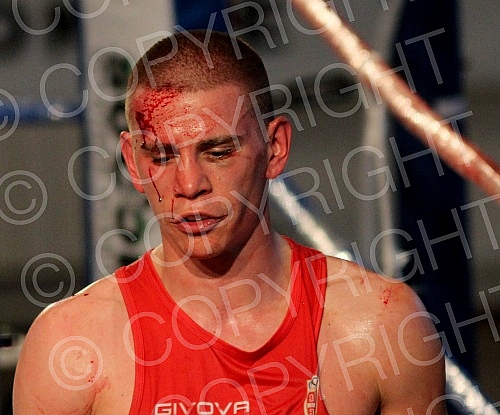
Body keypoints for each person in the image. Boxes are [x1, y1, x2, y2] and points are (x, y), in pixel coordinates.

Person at [13, 30, 446, 415]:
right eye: (162, 156)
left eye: (218, 152)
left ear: (275, 148)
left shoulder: (380, 325)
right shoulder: (72, 346)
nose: (189, 185)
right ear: (132, 161)